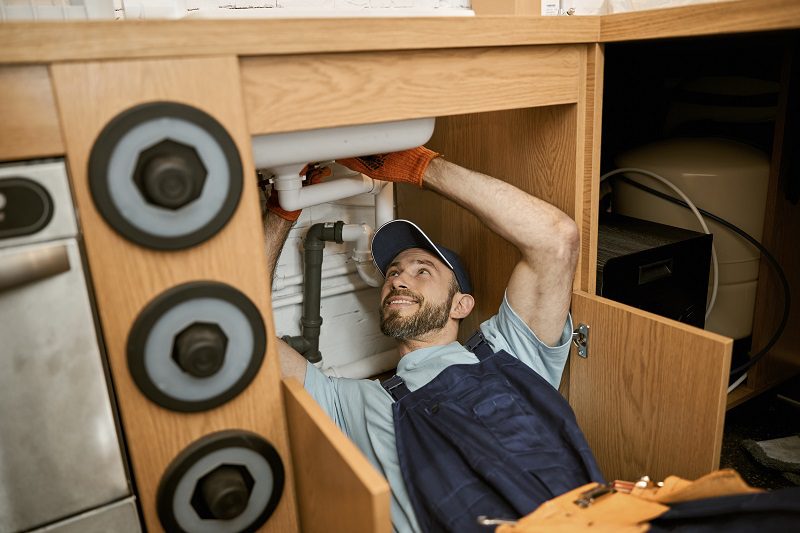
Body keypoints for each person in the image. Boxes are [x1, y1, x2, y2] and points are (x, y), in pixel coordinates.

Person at [262, 147, 603, 532]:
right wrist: (282, 211)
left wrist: (420, 166)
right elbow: (244, 329)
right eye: (393, 272)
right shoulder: (349, 403)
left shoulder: (509, 350)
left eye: (422, 270)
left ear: (461, 304)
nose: (399, 279)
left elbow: (556, 239)